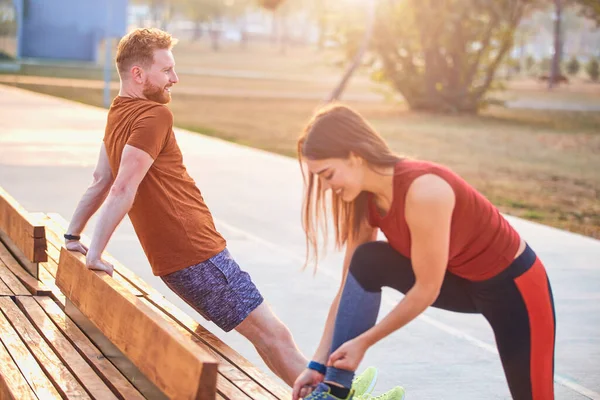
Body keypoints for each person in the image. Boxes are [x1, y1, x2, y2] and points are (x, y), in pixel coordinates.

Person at [61, 27, 382, 398]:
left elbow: (100, 179)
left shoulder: (118, 113)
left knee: (266, 336)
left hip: (183, 257)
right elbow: (120, 188)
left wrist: (73, 235)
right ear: (138, 74)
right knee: (272, 333)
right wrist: (95, 253)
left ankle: (326, 392)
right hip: (196, 253)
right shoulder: (153, 116)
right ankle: (334, 396)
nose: (175, 79)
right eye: (166, 70)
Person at [292, 104, 556, 400]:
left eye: (328, 174)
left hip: (514, 288)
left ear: (354, 157)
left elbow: (426, 289)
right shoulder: (363, 202)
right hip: (459, 282)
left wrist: (364, 342)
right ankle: (334, 390)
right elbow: (347, 290)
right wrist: (317, 364)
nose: (327, 188)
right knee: (367, 260)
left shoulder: (424, 189)